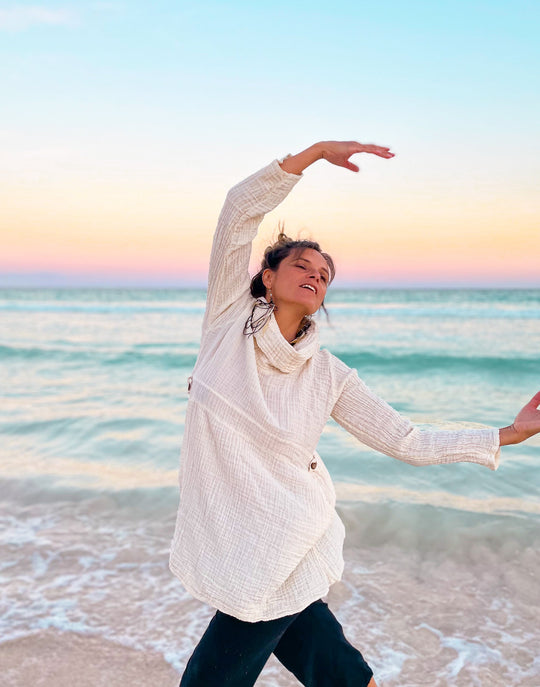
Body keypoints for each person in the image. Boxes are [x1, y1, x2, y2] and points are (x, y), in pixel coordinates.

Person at [169, 140, 540, 687]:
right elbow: (237, 212)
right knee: (332, 667)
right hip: (237, 534)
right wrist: (315, 153)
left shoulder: (329, 374)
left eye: (324, 273)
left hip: (288, 532)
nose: (316, 275)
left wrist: (508, 434)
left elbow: (406, 440)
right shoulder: (227, 321)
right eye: (302, 264)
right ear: (267, 277)